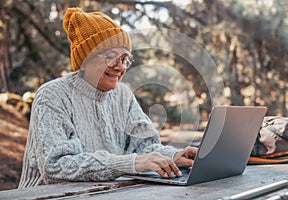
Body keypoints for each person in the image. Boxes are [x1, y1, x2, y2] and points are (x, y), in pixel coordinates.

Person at [18, 7, 198, 189]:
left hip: (105, 192)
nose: (120, 67)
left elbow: (145, 147)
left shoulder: (123, 95)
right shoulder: (52, 95)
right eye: (111, 57)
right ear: (85, 60)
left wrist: (173, 156)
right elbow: (55, 167)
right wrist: (130, 163)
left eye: (125, 59)